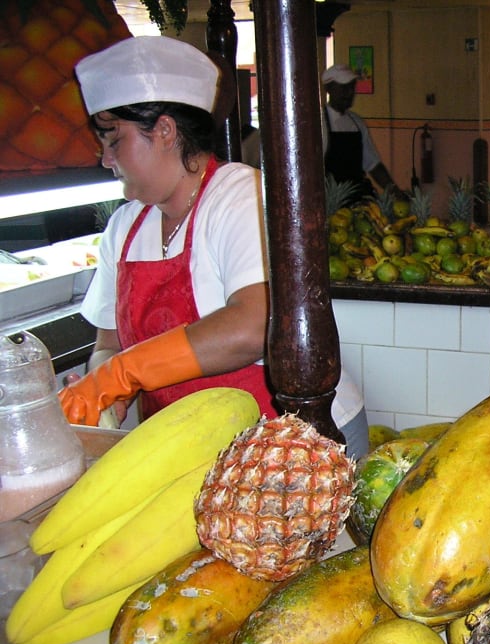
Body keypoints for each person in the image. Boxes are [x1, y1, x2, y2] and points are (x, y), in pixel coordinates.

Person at [60, 36, 368, 458]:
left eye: (114, 139)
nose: (105, 159)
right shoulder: (124, 227)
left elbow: (252, 326)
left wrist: (122, 373)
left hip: (287, 441)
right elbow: (108, 344)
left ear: (165, 131)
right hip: (189, 448)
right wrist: (104, 388)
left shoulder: (240, 195)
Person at [321, 64, 399, 202]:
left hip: (358, 197)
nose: (350, 92)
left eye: (352, 86)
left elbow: (373, 164)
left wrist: (394, 191)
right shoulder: (318, 123)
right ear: (329, 89)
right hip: (331, 202)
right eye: (344, 87)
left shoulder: (357, 123)